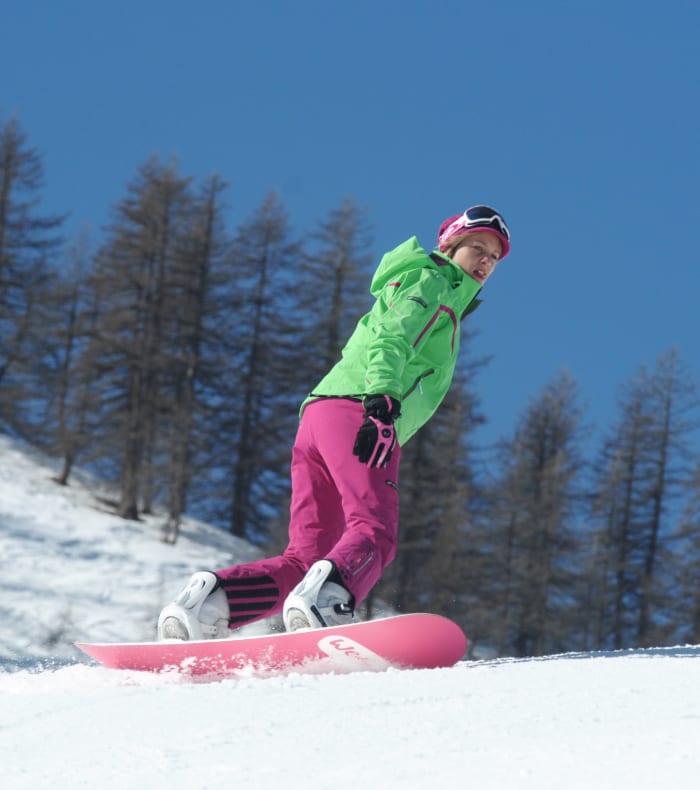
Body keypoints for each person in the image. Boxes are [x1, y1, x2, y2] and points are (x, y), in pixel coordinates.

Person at [157, 204, 511, 640]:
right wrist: (381, 403)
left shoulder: (435, 292)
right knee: (374, 530)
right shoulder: (432, 281)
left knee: (306, 558)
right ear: (450, 245)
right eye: (477, 247)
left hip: (321, 418)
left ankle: (211, 603)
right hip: (361, 411)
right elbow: (391, 337)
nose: (485, 262)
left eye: (494, 257)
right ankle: (325, 603)